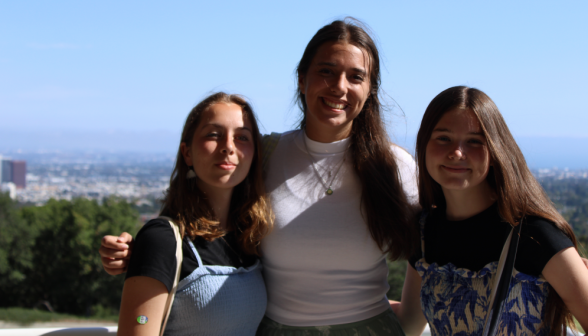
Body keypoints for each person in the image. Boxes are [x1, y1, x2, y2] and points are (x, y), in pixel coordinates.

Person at [101, 18, 425, 335]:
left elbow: (433, 245)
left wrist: (408, 320)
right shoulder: (265, 154)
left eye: (356, 76)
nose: (339, 86)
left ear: (370, 90)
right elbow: (205, 216)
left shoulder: (394, 166)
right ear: (302, 79)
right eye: (326, 71)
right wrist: (143, 251)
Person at [406, 86, 588, 335]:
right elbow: (409, 322)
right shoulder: (423, 232)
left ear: (495, 151)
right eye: (443, 138)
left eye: (474, 141)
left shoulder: (535, 234)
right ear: (424, 143)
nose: (457, 152)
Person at [116, 92, 273, 336]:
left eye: (242, 137)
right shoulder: (162, 240)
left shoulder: (249, 237)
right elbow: (139, 324)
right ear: (187, 152)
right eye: (213, 134)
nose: (228, 147)